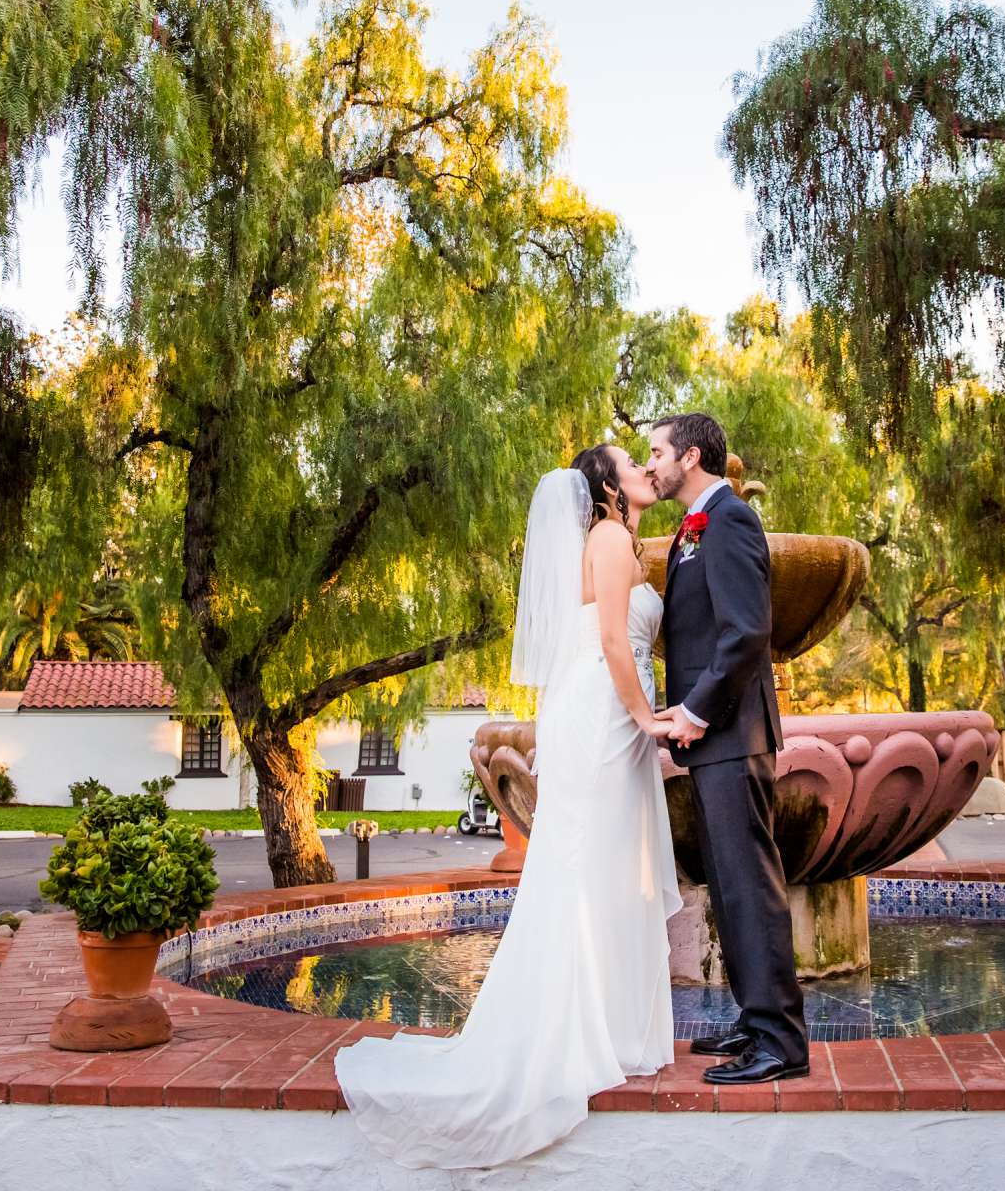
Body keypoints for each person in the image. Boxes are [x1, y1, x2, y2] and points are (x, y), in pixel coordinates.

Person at [333, 445, 682, 1168]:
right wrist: (649, 719)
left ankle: (608, 1030)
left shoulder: (616, 540)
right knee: (590, 867)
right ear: (608, 487)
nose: (645, 469)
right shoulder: (612, 538)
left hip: (597, 708)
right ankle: (591, 1036)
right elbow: (615, 640)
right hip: (604, 710)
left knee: (599, 867)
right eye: (631, 462)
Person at [647, 411, 808, 1083]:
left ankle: (781, 1041)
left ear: (689, 456)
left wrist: (694, 711)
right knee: (732, 887)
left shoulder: (732, 519)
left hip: (732, 737)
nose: (649, 463)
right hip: (714, 743)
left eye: (655, 451)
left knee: (752, 886)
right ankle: (754, 1018)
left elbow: (746, 634)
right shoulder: (693, 527)